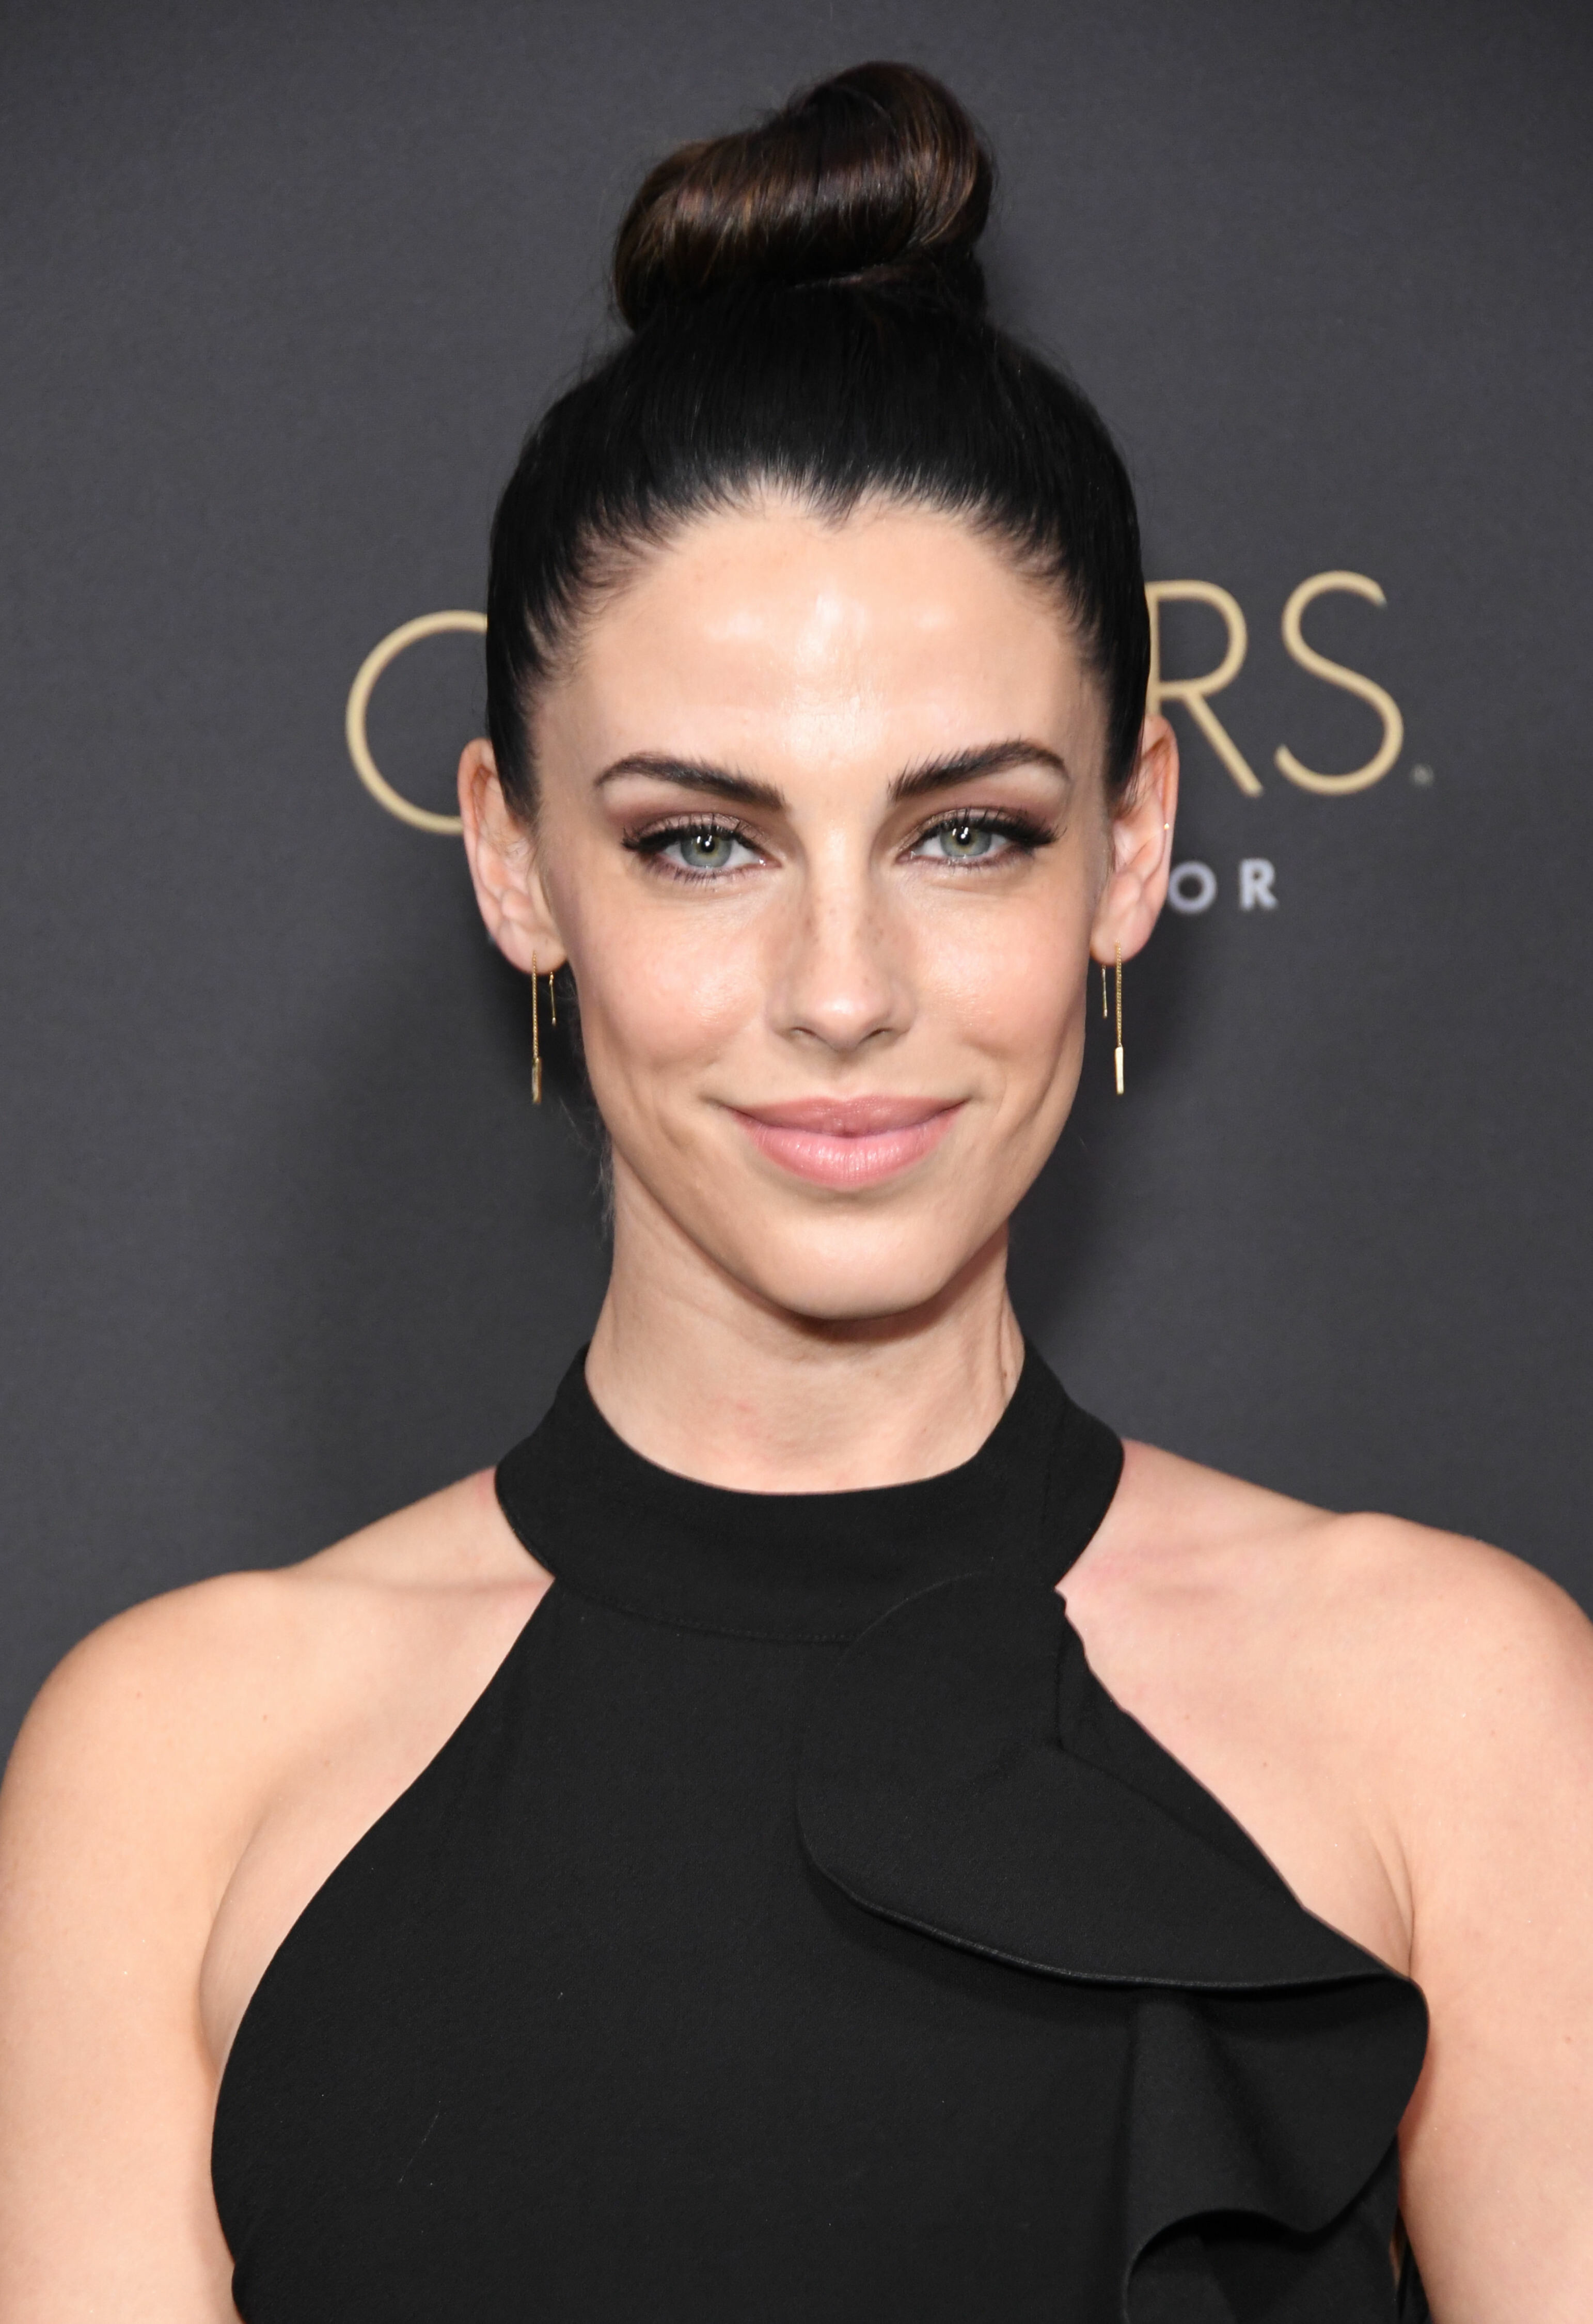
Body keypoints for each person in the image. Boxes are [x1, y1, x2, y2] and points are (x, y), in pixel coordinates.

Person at [2, 58, 1590, 2324]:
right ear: (513, 861)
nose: (843, 990)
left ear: (1133, 842)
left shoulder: (1458, 1715)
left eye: (969, 833)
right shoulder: (177, 1771)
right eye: (700, 842)